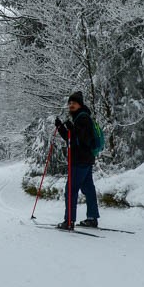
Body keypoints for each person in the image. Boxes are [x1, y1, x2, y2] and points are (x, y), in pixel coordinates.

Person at [54, 91, 100, 230]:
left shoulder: (83, 118)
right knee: (88, 188)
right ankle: (92, 218)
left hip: (79, 160)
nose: (71, 105)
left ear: (80, 104)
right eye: (70, 103)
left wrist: (72, 128)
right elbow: (72, 139)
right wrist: (61, 127)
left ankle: (69, 221)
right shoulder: (80, 118)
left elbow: (82, 139)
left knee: (71, 189)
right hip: (85, 159)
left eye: (74, 103)